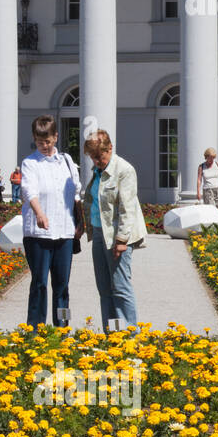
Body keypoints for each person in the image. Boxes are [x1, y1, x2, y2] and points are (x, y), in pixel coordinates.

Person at [80, 130, 147, 332]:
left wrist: (122, 240)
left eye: (100, 156)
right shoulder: (98, 171)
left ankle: (129, 334)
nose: (97, 160)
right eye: (93, 157)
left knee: (120, 286)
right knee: (104, 288)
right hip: (100, 233)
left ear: (110, 148)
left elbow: (128, 208)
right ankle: (111, 333)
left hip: (118, 236)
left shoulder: (124, 170)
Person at [19, 115, 81, 328]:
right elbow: (29, 190)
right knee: (39, 283)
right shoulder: (30, 163)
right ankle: (34, 329)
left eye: (47, 141)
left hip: (65, 231)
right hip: (39, 234)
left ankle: (63, 328)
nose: (44, 146)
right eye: (39, 141)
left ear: (56, 136)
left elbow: (76, 191)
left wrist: (81, 222)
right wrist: (39, 213)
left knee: (63, 286)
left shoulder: (67, 161)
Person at [196, 148, 218, 214]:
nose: (212, 159)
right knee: (210, 210)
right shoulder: (201, 166)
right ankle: (212, 223)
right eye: (210, 158)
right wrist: (198, 192)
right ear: (206, 157)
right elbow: (199, 180)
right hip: (208, 190)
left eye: (213, 158)